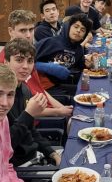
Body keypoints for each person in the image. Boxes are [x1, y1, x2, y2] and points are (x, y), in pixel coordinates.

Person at [4, 38, 71, 167]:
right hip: (18, 165)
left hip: (35, 155)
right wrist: (28, 114)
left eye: (30, 61)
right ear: (6, 62)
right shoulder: (1, 98)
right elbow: (6, 145)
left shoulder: (24, 89)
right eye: (19, 60)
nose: (25, 66)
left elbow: (31, 131)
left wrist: (52, 154)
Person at [35, 13, 96, 96]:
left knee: (89, 92)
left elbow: (80, 67)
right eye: (76, 26)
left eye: (82, 30)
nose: (78, 31)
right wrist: (46, 67)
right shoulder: (50, 42)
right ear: (68, 27)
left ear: (84, 36)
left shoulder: (79, 50)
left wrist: (88, 65)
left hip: (60, 84)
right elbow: (27, 61)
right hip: (42, 86)